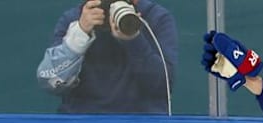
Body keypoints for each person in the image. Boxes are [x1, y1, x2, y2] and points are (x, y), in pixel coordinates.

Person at [36, 0, 178, 114]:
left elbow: (162, 86)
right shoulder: (73, 19)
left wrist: (133, 39)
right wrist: (79, 35)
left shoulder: (156, 18)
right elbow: (51, 82)